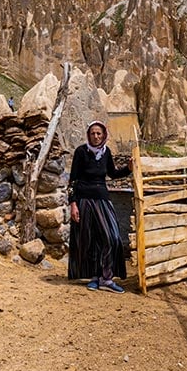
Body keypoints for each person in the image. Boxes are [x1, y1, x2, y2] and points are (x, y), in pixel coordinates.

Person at [67, 120, 131, 293]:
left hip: (102, 199)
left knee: (112, 237)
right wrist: (73, 204)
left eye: (99, 133)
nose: (96, 136)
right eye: (93, 133)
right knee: (90, 240)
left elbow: (113, 173)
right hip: (84, 200)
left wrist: (129, 169)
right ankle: (95, 277)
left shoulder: (106, 152)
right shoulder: (81, 152)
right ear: (88, 135)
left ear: (104, 135)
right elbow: (72, 180)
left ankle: (107, 278)